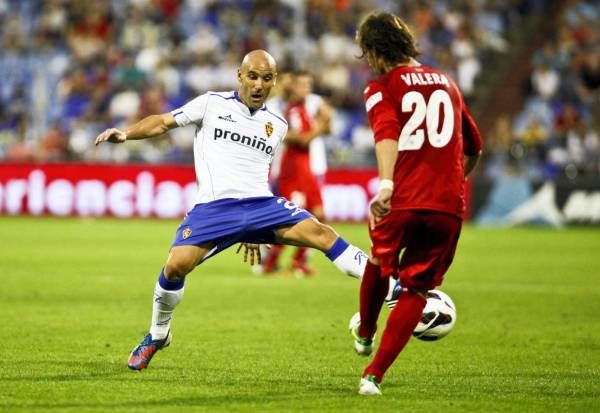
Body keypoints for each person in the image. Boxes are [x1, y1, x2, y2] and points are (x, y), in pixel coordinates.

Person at [94, 50, 370, 371]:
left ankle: (393, 289)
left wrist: (253, 229)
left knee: (323, 234)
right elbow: (163, 123)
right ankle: (158, 334)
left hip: (259, 205)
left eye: (266, 78)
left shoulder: (275, 125)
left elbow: (258, 173)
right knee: (175, 267)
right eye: (252, 76)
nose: (258, 84)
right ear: (240, 75)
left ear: (274, 82)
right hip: (214, 207)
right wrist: (127, 134)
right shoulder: (211, 103)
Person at [350, 12, 483, 395]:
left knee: (378, 260)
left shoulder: (381, 87)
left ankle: (365, 332)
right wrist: (453, 182)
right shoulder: (448, 84)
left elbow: (387, 134)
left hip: (403, 199)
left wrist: (388, 183)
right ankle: (373, 376)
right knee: (417, 289)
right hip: (447, 206)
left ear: (374, 52)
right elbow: (475, 148)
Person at [261, 70, 333, 276]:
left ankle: (298, 261)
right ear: (293, 87)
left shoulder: (304, 108)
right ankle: (271, 262)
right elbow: (301, 140)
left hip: (307, 169)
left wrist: (324, 123)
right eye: (302, 85)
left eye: (308, 86)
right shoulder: (290, 110)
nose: (306, 90)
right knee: (290, 219)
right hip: (291, 171)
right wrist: (322, 125)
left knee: (318, 215)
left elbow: (322, 129)